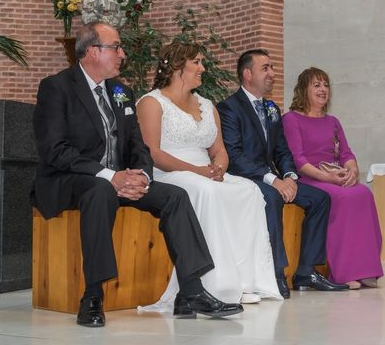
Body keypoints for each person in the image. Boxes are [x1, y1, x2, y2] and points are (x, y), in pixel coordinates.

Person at [31, 23, 242, 327]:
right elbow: (55, 150)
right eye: (115, 47)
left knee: (175, 196)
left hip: (120, 180)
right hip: (68, 180)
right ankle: (92, 296)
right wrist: (110, 176)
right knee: (99, 191)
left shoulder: (121, 91)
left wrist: (141, 175)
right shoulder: (57, 87)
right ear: (93, 51)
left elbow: (137, 144)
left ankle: (192, 291)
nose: (122, 54)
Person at [135, 42, 282, 309]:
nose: (203, 68)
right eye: (197, 63)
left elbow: (220, 150)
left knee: (249, 191)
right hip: (170, 173)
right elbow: (152, 153)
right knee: (207, 191)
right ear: (179, 66)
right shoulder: (151, 102)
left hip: (207, 171)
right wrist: (198, 171)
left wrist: (219, 168)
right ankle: (216, 284)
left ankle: (247, 281)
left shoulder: (206, 104)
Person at [216, 49, 349, 298]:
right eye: (265, 68)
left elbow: (282, 150)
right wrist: (273, 179)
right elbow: (233, 155)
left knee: (320, 198)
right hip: (243, 177)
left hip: (273, 176)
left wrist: (290, 176)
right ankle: (276, 272)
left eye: (272, 67)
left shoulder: (271, 108)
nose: (272, 73)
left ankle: (306, 271)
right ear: (247, 73)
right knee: (273, 197)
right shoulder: (228, 108)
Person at [282, 67, 383, 289]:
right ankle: (345, 272)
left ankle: (366, 269)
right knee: (344, 198)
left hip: (334, 176)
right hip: (309, 179)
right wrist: (328, 178)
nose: (323, 89)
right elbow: (298, 160)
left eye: (326, 85)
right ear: (303, 90)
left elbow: (346, 153)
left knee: (363, 193)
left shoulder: (333, 121)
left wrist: (352, 171)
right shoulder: (291, 119)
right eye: (316, 85)